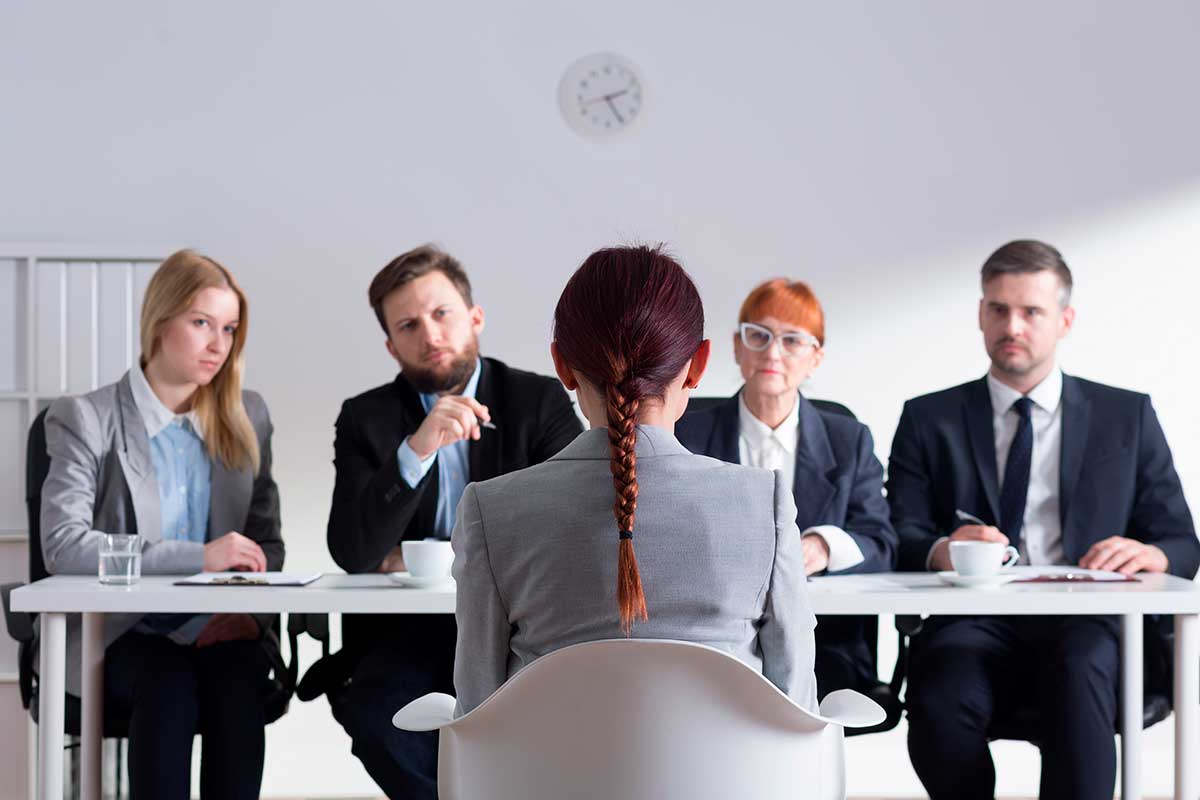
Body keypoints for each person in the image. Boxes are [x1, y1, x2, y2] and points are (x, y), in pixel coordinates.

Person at [887, 239, 1199, 800]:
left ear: (1065, 321)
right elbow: (898, 533)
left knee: (1081, 672)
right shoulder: (929, 417)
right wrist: (944, 549)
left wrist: (1152, 553)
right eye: (999, 309)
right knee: (940, 696)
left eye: (1031, 311)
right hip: (974, 618)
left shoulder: (1125, 416)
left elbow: (1181, 541)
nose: (1013, 326)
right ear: (980, 314)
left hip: (1087, 619)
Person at [453, 244, 818, 715]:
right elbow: (797, 708)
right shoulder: (763, 503)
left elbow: (477, 714)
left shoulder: (491, 511)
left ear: (561, 365)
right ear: (699, 365)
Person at [322, 244, 583, 799]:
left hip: (521, 628)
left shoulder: (538, 401)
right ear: (391, 346)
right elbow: (353, 551)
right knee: (377, 717)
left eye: (441, 314)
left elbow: (573, 526)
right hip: (406, 634)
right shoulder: (364, 418)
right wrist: (415, 452)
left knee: (545, 724)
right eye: (409, 326)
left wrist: (414, 554)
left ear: (475, 317)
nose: (430, 335)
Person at [40, 249, 284, 800]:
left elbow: (266, 544)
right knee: (168, 683)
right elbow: (63, 544)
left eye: (229, 329)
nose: (218, 344)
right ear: (158, 321)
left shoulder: (248, 417)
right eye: (201, 323)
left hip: (219, 626)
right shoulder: (87, 417)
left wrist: (249, 614)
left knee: (239, 679)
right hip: (122, 631)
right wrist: (200, 557)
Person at [676, 278, 896, 698]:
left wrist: (823, 547)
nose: (772, 353)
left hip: (826, 644)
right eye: (758, 336)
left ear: (816, 358)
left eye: (792, 340)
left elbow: (881, 543)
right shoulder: (687, 432)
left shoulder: (849, 441)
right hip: (711, 641)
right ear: (737, 347)